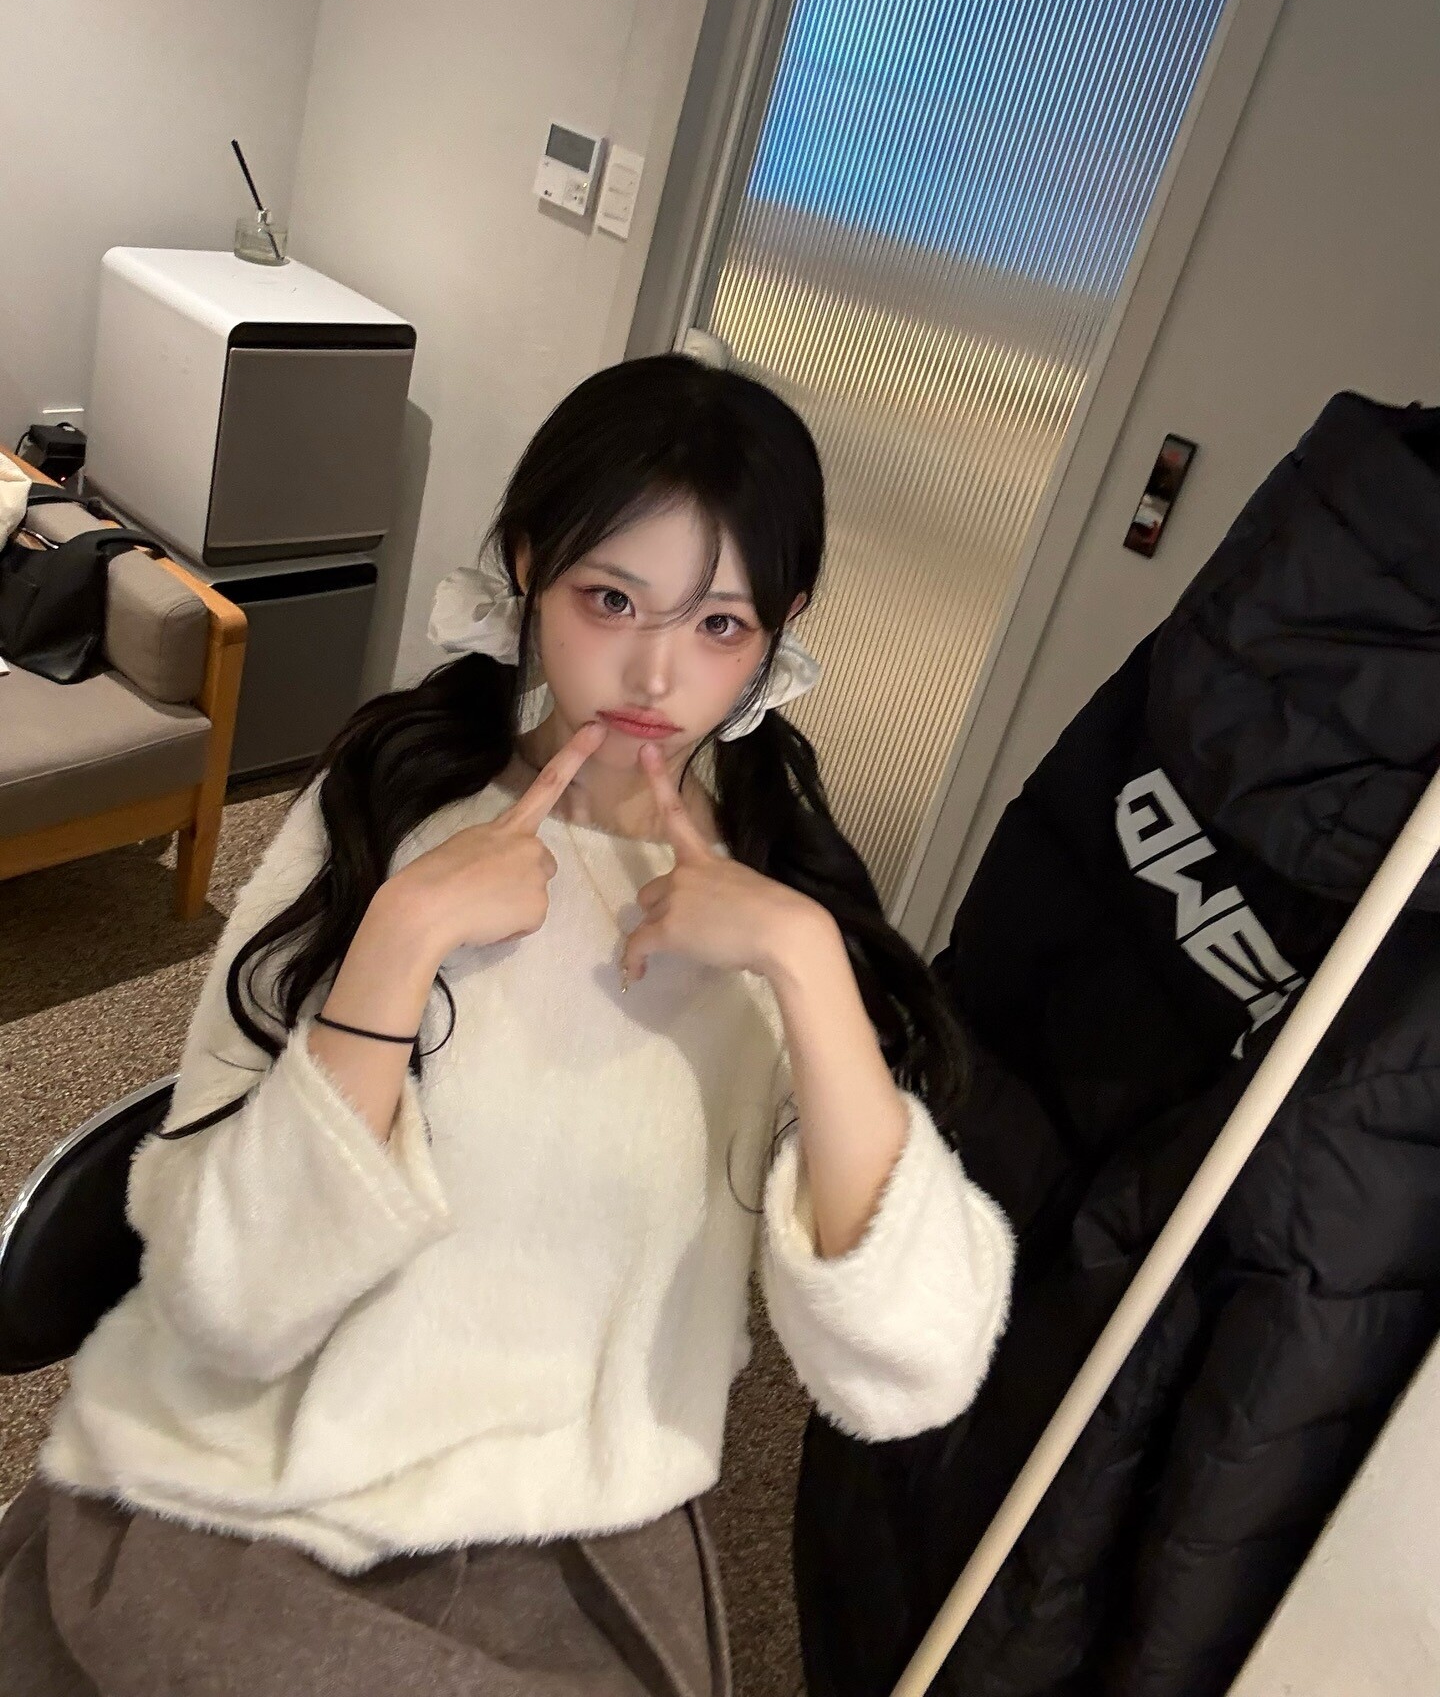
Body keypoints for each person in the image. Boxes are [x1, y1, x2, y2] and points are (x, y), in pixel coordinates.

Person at [0, 353, 1015, 1696]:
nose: (655, 670)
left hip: (567, 1543)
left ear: (783, 629)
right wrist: (402, 937)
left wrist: (805, 964)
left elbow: (912, 1366)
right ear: (529, 568)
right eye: (611, 600)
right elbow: (229, 1305)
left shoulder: (784, 914)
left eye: (720, 625)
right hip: (236, 1485)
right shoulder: (382, 807)